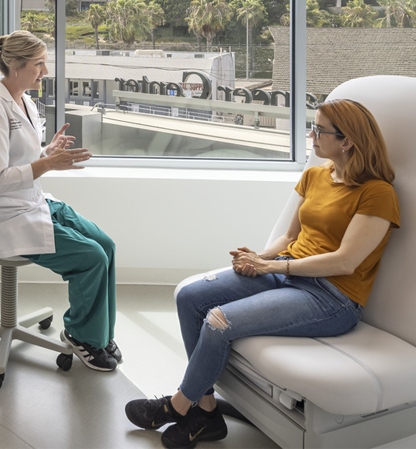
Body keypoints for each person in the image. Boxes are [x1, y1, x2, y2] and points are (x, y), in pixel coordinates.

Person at [125, 98, 400, 449]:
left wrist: (272, 265)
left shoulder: (378, 193)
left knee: (218, 320)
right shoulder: (314, 175)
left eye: (319, 130)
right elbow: (289, 237)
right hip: (286, 272)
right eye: (313, 126)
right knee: (190, 296)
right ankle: (206, 411)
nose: (312, 135)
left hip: (330, 296)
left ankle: (177, 406)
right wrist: (259, 257)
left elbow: (345, 261)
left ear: (346, 141)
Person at [0, 30, 120, 372]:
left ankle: (99, 333)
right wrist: (47, 163)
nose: (45, 71)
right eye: (39, 64)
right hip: (3, 215)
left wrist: (46, 151)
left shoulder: (24, 99)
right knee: (90, 258)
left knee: (105, 245)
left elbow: (21, 156)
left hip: (30, 201)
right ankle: (82, 336)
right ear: (15, 65)